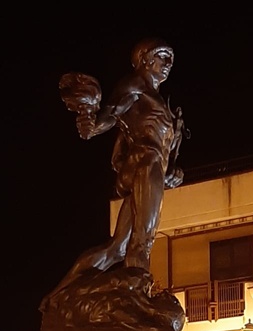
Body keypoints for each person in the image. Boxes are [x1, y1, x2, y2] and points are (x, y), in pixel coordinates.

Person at [53, 38, 185, 292]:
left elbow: (163, 149)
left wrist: (172, 172)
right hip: (145, 164)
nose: (168, 63)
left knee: (118, 248)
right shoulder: (136, 85)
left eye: (170, 58)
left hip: (151, 168)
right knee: (143, 238)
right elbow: (112, 113)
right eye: (162, 56)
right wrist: (93, 125)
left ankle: (60, 293)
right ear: (144, 59)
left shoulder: (158, 100)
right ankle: (138, 298)